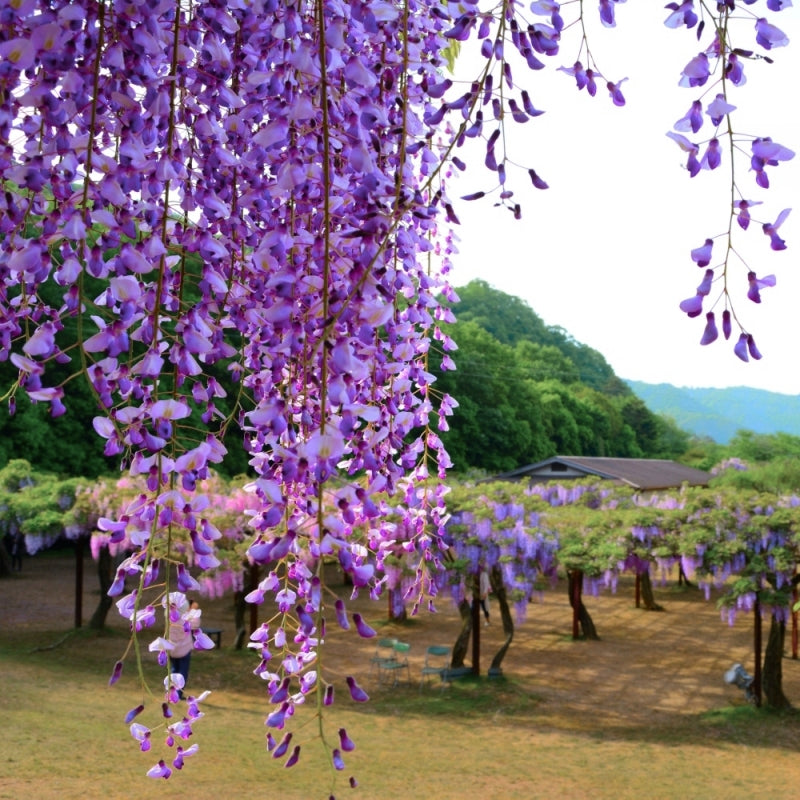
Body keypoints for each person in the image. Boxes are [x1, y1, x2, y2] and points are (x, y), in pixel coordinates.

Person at [167, 593, 201, 699]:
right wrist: (193, 610)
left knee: (173, 670)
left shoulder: (169, 616)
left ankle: (171, 692)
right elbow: (196, 624)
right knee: (182, 672)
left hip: (172, 649)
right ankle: (178, 693)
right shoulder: (185, 619)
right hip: (184, 650)